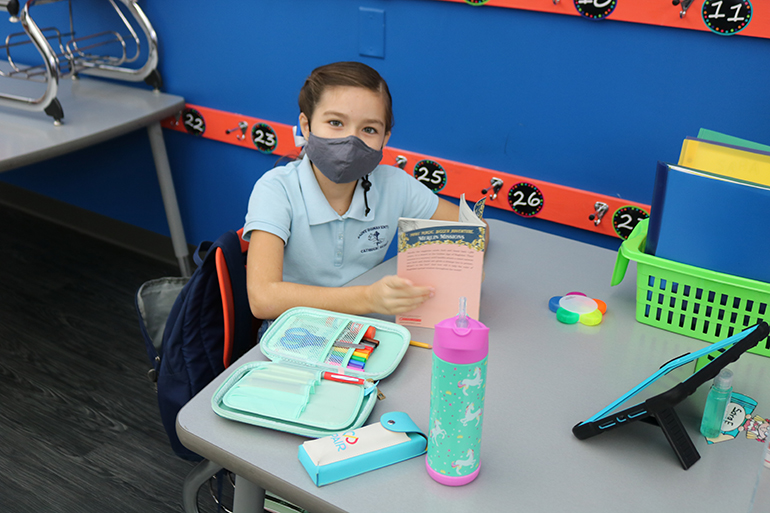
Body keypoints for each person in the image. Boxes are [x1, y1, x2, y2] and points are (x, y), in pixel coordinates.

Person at [243, 61, 486, 321]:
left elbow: (475, 231)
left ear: (385, 138)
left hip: (364, 323)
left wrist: (452, 266)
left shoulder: (394, 184)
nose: (351, 140)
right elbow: (263, 299)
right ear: (306, 126)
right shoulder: (276, 189)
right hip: (295, 330)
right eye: (335, 122)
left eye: (369, 129)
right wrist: (368, 297)